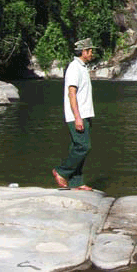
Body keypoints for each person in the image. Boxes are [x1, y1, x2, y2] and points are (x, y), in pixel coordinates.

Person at [52, 38, 96, 191]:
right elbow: (72, 94)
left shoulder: (82, 67)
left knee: (76, 147)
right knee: (84, 146)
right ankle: (61, 171)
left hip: (85, 114)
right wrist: (77, 117)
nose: (92, 53)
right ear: (83, 52)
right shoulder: (74, 68)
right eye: (90, 50)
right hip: (77, 115)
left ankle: (76, 182)